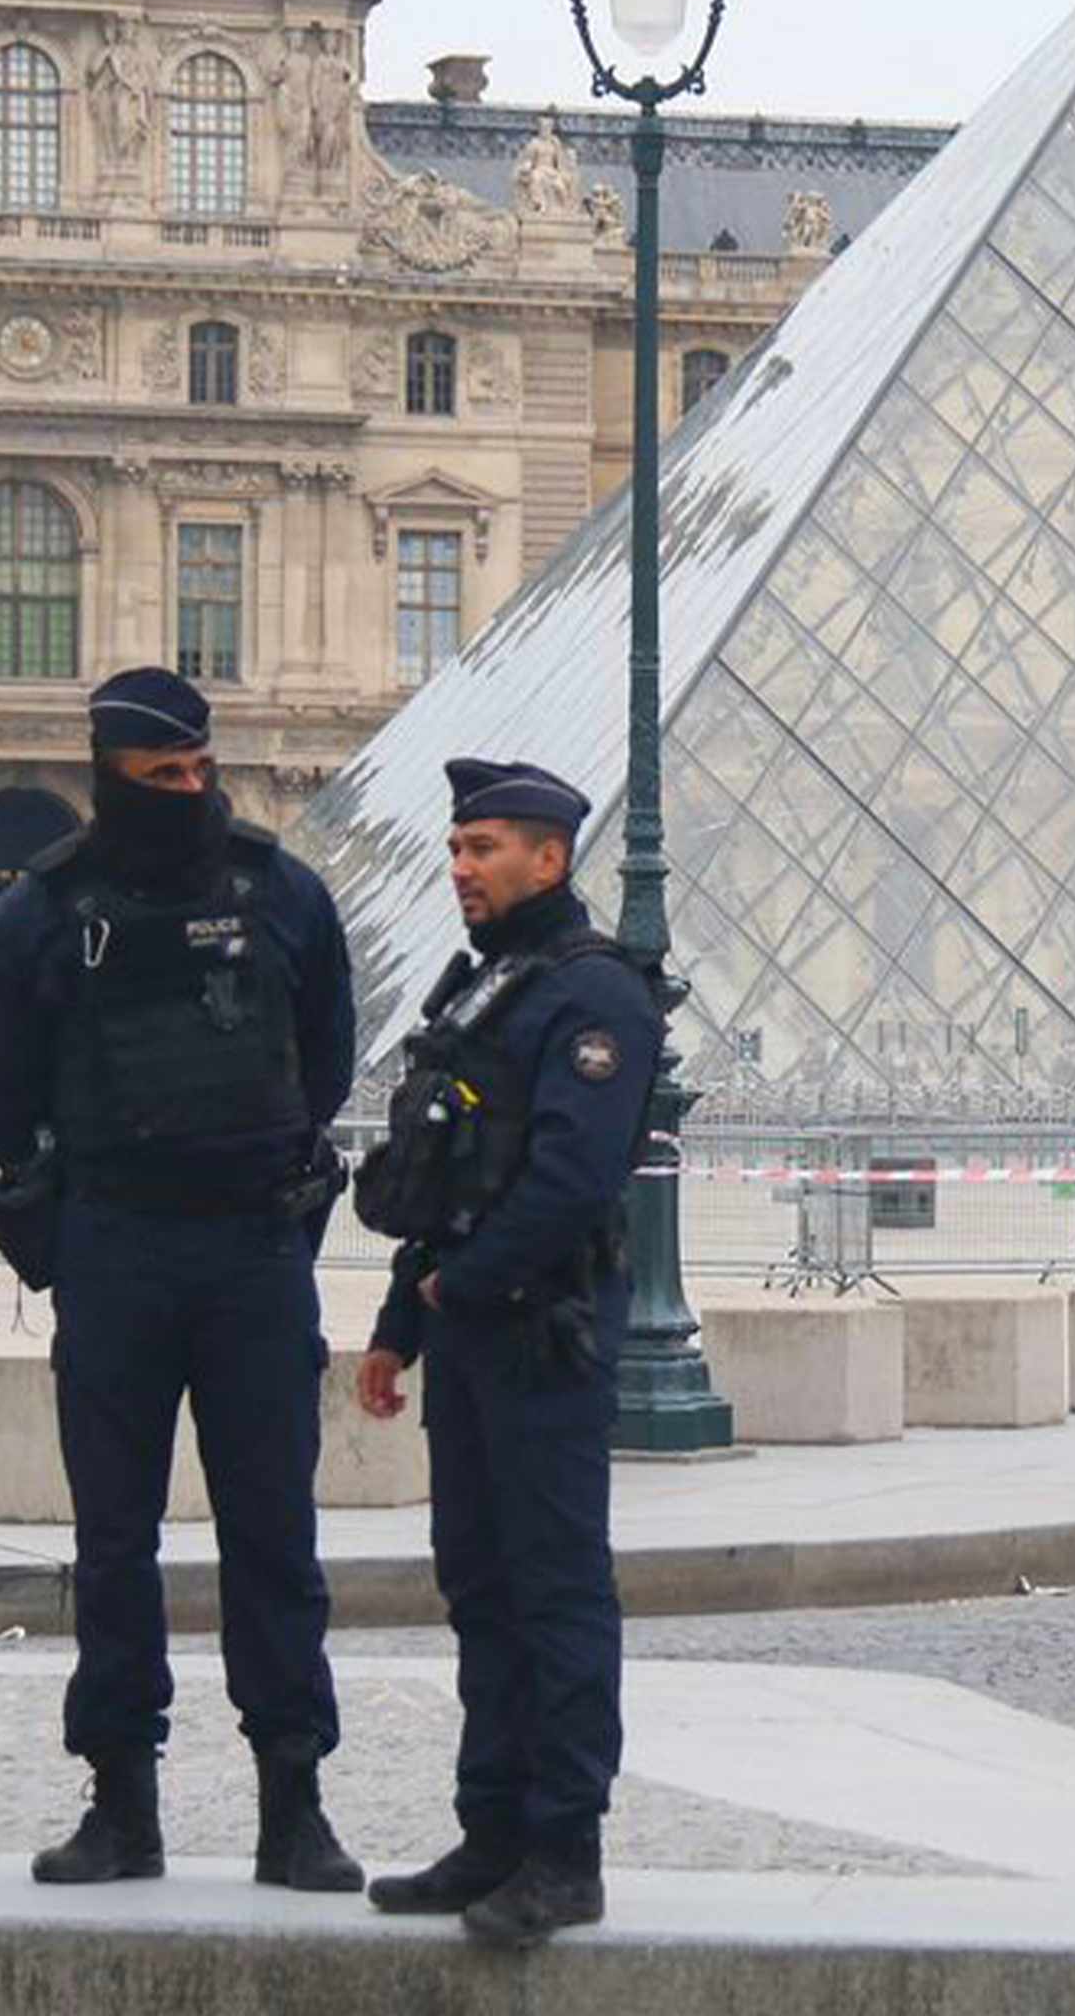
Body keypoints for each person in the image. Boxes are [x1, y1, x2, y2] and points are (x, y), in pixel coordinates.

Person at [0, 668, 363, 1895]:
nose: (188, 791)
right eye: (162, 777)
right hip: (118, 1248)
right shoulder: (40, 913)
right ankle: (120, 1803)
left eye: (198, 770)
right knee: (113, 1543)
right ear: (112, 775)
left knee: (276, 1538)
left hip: (250, 1249)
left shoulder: (281, 892)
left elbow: (326, 1064)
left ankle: (294, 1802)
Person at [355, 759, 662, 1948]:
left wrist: (458, 1286)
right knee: (479, 1589)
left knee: (554, 1593)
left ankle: (565, 1850)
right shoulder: (489, 988)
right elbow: (447, 1177)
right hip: (473, 1327)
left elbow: (570, 1181)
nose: (461, 868)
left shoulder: (595, 995)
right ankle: (490, 1832)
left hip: (543, 1332)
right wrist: (402, 1324)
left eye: (483, 848)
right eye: (456, 848)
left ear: (551, 857)